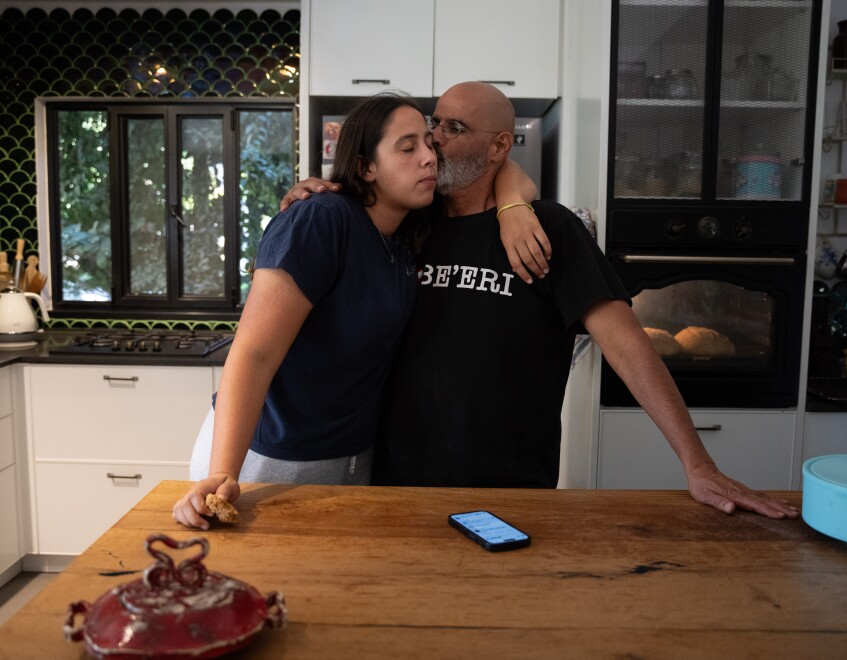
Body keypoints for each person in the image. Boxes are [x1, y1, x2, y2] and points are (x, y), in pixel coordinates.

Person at [283, 82, 799, 520]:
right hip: (396, 490)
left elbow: (627, 347)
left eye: (452, 129)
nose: (434, 141)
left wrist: (697, 463)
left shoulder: (550, 229)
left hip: (512, 497)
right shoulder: (407, 224)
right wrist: (318, 191)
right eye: (432, 124)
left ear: (500, 146)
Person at [173, 92, 539, 530]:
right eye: (408, 148)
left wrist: (514, 206)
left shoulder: (407, 234)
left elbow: (509, 168)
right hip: (268, 459)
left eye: (430, 143)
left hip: (352, 460)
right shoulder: (321, 219)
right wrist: (223, 471)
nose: (429, 157)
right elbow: (254, 354)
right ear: (366, 166)